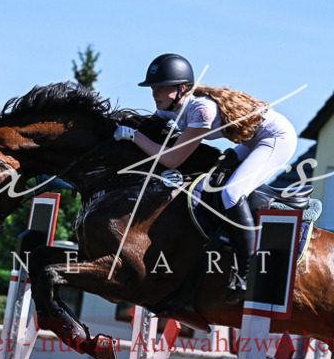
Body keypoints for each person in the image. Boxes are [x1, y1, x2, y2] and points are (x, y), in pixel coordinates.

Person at [114, 53, 298, 302]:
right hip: (249, 140)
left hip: (275, 138)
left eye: (160, 87)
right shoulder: (171, 108)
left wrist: (133, 137)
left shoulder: (201, 110)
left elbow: (172, 160)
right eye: (153, 87)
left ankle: (250, 272)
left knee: (231, 193)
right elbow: (148, 129)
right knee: (215, 179)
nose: (154, 93)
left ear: (181, 89)